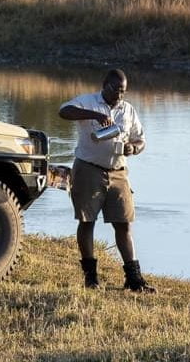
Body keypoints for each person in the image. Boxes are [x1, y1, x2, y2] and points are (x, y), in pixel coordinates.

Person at [58, 68, 155, 292]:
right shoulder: (88, 102)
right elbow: (64, 111)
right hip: (88, 168)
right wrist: (95, 115)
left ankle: (134, 279)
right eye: (116, 90)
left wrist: (133, 148)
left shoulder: (128, 110)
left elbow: (141, 140)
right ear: (105, 85)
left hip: (118, 171)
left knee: (124, 223)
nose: (119, 95)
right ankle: (91, 277)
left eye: (123, 91)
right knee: (86, 221)